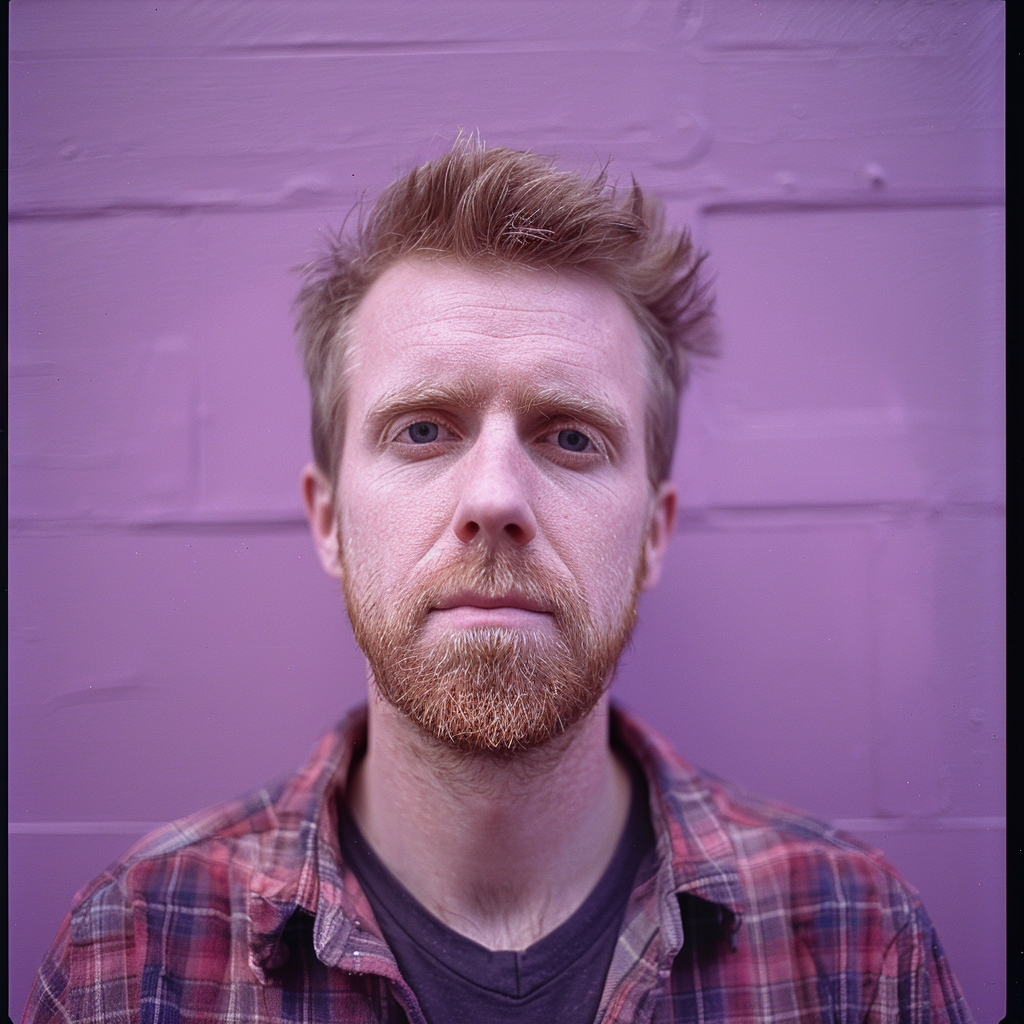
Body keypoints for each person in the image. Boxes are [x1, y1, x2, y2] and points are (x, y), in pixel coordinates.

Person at [24, 139, 972, 1023]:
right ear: (328, 522)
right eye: (424, 430)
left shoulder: (855, 943)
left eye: (570, 437)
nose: (493, 496)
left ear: (652, 533)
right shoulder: (137, 948)